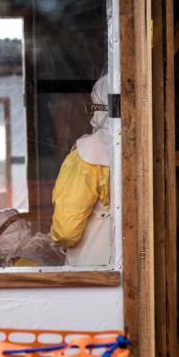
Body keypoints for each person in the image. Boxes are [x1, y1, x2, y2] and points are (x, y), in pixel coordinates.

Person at [49, 74, 113, 266]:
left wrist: (56, 240)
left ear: (101, 107)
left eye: (94, 105)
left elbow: (66, 230)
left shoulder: (86, 155)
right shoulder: (152, 150)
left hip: (94, 272)